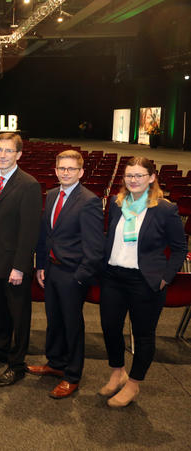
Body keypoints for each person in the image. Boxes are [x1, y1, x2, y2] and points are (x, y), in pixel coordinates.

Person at [99, 156, 186, 407]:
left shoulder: (164, 209)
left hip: (145, 281)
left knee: (143, 334)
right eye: (129, 175)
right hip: (114, 277)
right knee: (110, 327)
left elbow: (180, 249)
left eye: (139, 175)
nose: (133, 180)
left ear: (151, 178)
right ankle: (117, 372)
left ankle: (134, 384)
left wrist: (165, 279)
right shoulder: (116, 204)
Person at [28, 150, 104, 399]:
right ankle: (56, 363)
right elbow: (45, 234)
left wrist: (80, 276)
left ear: (81, 172)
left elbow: (95, 247)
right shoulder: (51, 195)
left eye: (71, 169)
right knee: (54, 320)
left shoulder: (89, 201)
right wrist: (40, 265)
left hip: (72, 274)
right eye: (62, 168)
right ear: (56, 170)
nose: (65, 173)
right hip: (51, 269)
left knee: (72, 325)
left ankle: (72, 375)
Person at [0, 133, 41, 387]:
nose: (2, 155)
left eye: (8, 151)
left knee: (19, 315)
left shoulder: (29, 185)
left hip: (14, 264)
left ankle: (17, 364)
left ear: (19, 155)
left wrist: (20, 267)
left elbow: (30, 231)